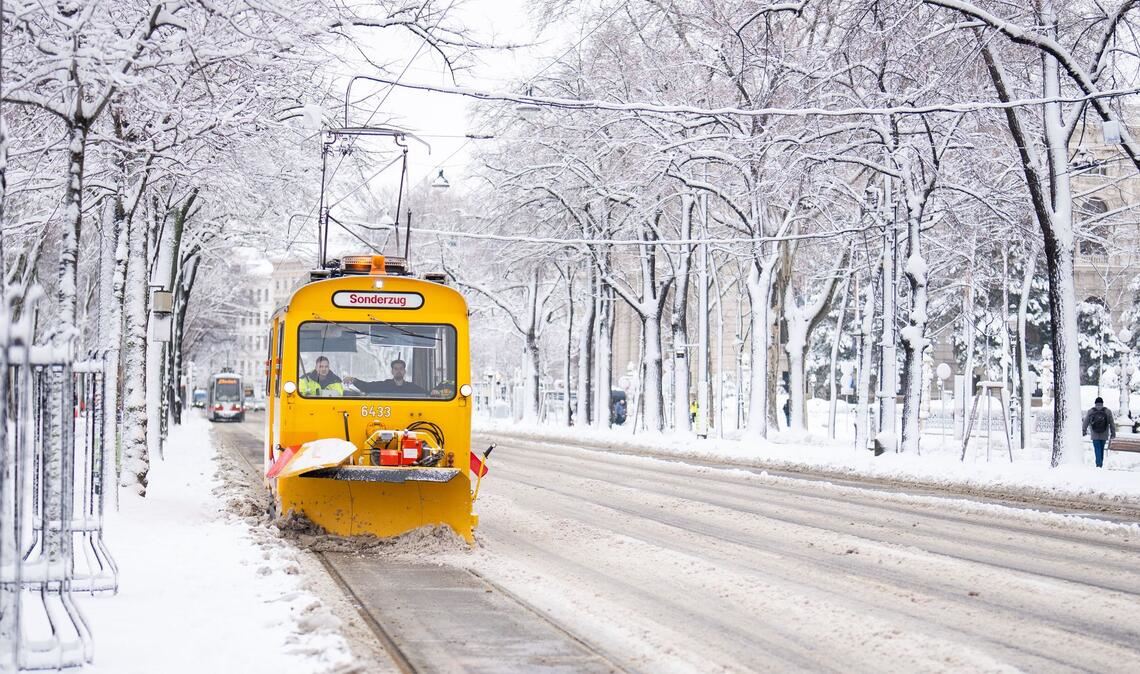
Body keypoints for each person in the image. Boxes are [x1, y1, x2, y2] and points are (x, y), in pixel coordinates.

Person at [344, 359, 426, 396]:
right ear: (392, 371)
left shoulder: (412, 388)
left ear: (404, 371)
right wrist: (353, 380)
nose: (398, 371)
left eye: (401, 368)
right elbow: (366, 387)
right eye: (396, 369)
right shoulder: (384, 385)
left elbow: (426, 394)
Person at [1081, 396, 1116, 468]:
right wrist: (1113, 433)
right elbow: (1112, 423)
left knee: (1097, 448)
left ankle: (1098, 464)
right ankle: (1100, 464)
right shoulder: (1108, 411)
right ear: (1102, 403)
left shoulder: (1091, 411)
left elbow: (1086, 422)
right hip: (1104, 434)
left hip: (1094, 434)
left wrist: (1083, 430)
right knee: (1101, 449)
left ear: (1095, 403)